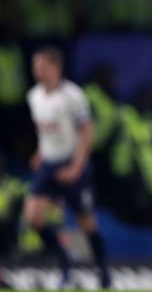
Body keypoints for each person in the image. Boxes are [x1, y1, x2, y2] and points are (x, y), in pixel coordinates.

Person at [25, 46, 110, 288]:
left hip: (73, 163)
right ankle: (65, 260)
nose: (37, 71)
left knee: (87, 223)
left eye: (41, 66)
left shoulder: (73, 96)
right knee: (33, 218)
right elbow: (47, 130)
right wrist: (40, 152)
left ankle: (103, 271)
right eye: (35, 66)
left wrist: (76, 166)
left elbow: (86, 132)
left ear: (55, 67)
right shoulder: (34, 96)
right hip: (48, 164)